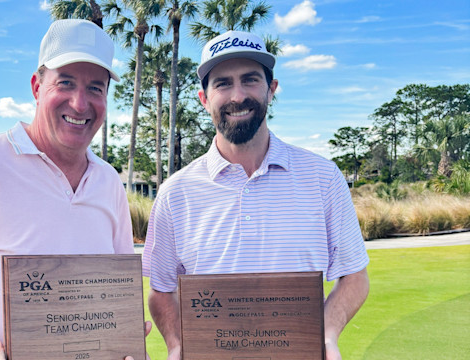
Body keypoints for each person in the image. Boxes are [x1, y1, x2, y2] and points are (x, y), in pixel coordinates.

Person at [0, 19, 147, 360]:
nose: (79, 104)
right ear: (36, 86)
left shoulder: (108, 181)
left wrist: (128, 328)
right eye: (65, 83)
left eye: (95, 88)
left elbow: (117, 284)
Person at [142, 30, 370, 360]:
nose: (237, 95)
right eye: (222, 83)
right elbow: (161, 291)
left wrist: (327, 334)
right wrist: (178, 345)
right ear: (204, 99)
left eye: (250, 80)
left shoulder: (324, 178)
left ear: (271, 90)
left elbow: (355, 276)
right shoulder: (174, 193)